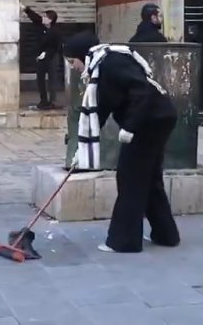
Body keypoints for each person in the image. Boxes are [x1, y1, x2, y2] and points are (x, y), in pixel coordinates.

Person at [63, 31, 180, 253]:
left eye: (72, 61)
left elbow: (142, 91)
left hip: (150, 121)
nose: (73, 66)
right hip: (157, 117)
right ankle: (166, 234)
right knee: (149, 177)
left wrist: (130, 126)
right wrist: (83, 149)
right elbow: (101, 109)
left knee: (130, 178)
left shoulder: (111, 64)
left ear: (82, 55)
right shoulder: (102, 66)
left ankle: (124, 241)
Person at [23, 3, 62, 110]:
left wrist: (47, 53)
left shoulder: (55, 31)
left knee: (52, 80)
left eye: (45, 17)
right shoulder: (41, 25)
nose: (43, 18)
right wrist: (26, 9)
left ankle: (52, 101)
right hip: (41, 57)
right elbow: (35, 17)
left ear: (50, 20)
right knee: (40, 79)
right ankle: (43, 101)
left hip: (52, 57)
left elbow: (57, 46)